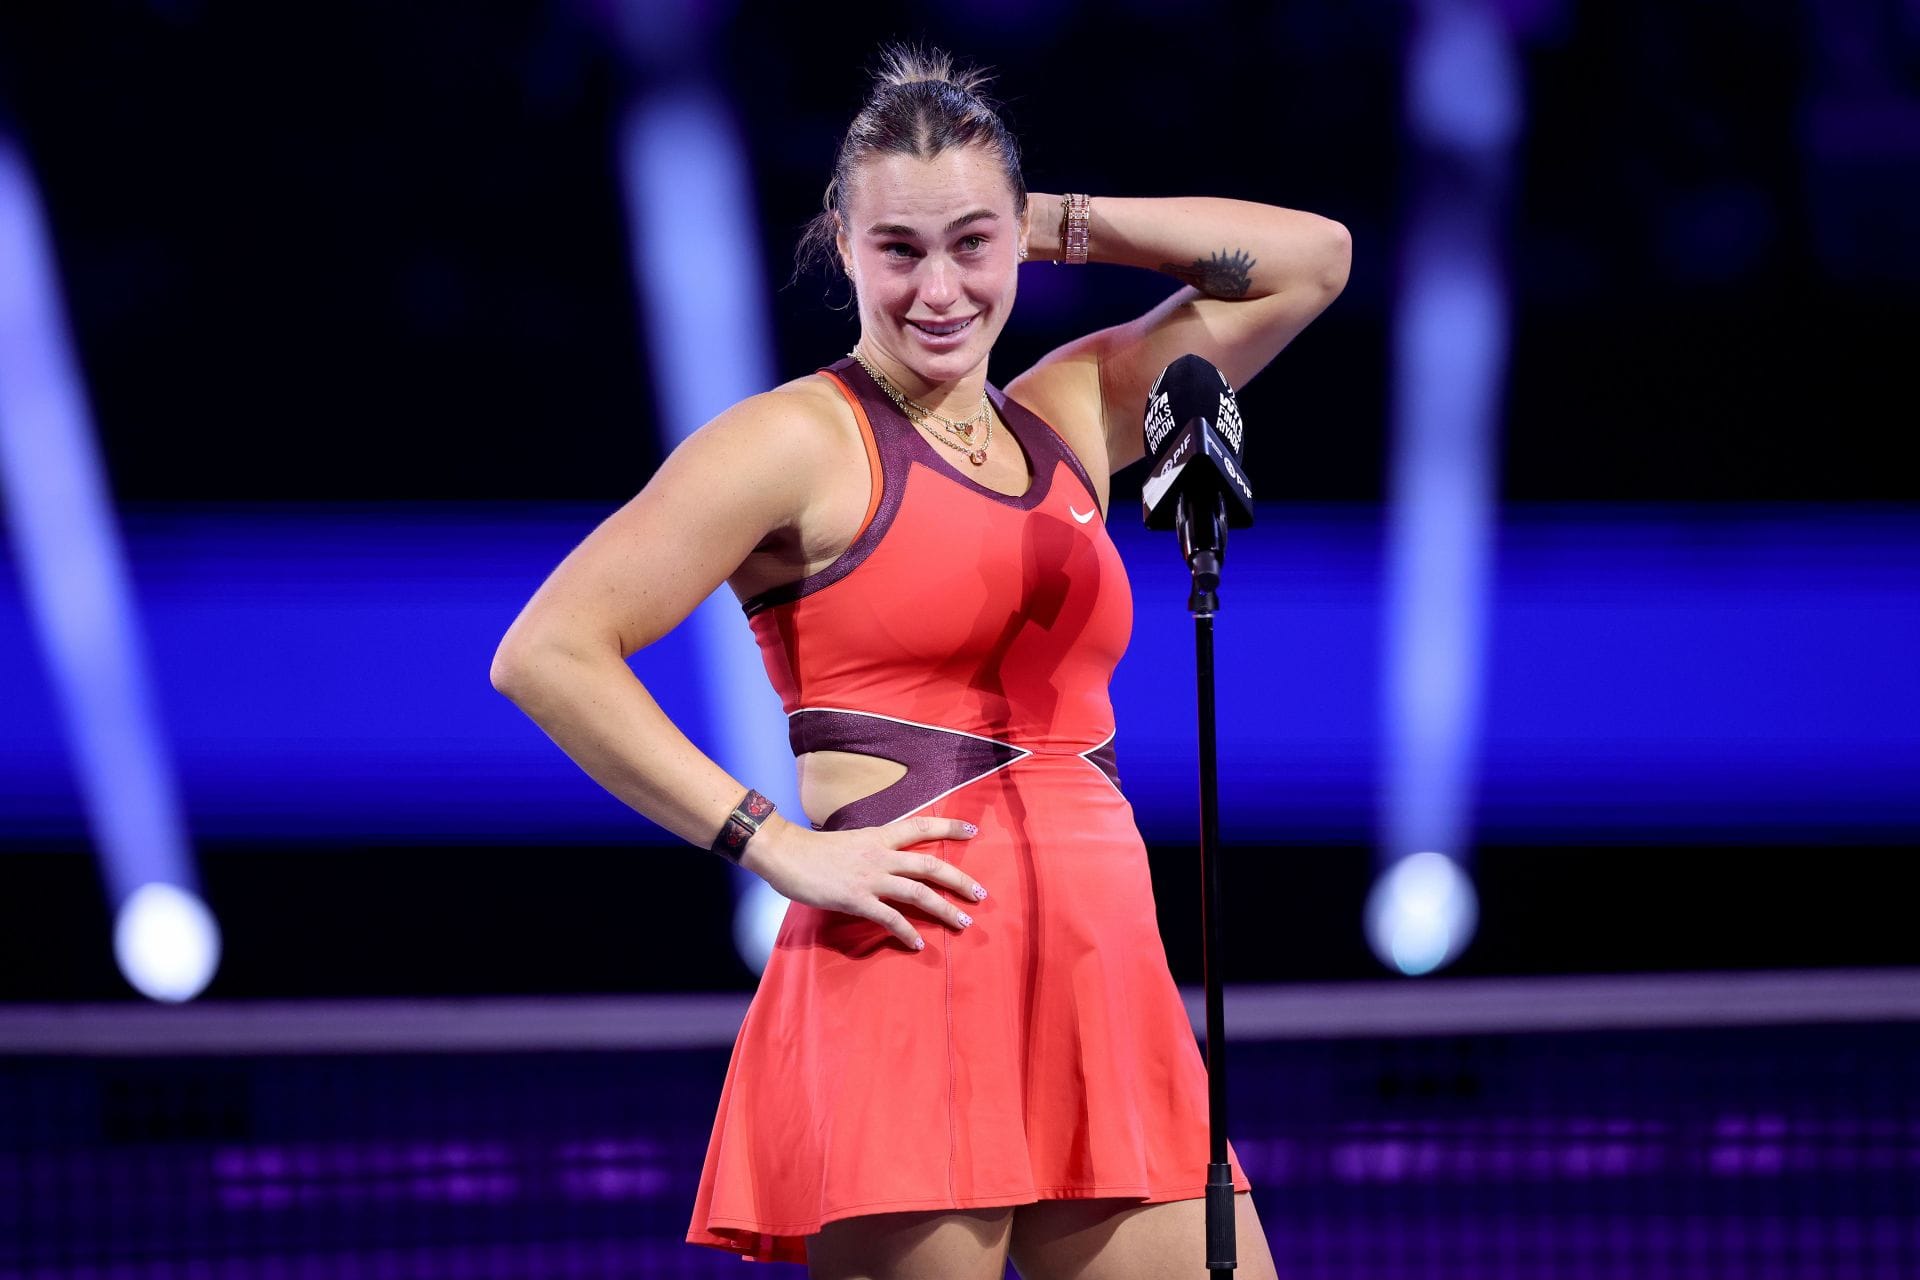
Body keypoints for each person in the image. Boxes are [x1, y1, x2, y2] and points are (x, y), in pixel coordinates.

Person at [490, 43, 1348, 1280]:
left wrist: (1049, 222)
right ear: (842, 242)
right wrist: (773, 844)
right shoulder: (793, 440)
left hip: (1104, 978)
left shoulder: (1071, 410)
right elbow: (550, 651)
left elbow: (1311, 259)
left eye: (970, 245)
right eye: (899, 247)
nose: (938, 288)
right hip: (908, 968)